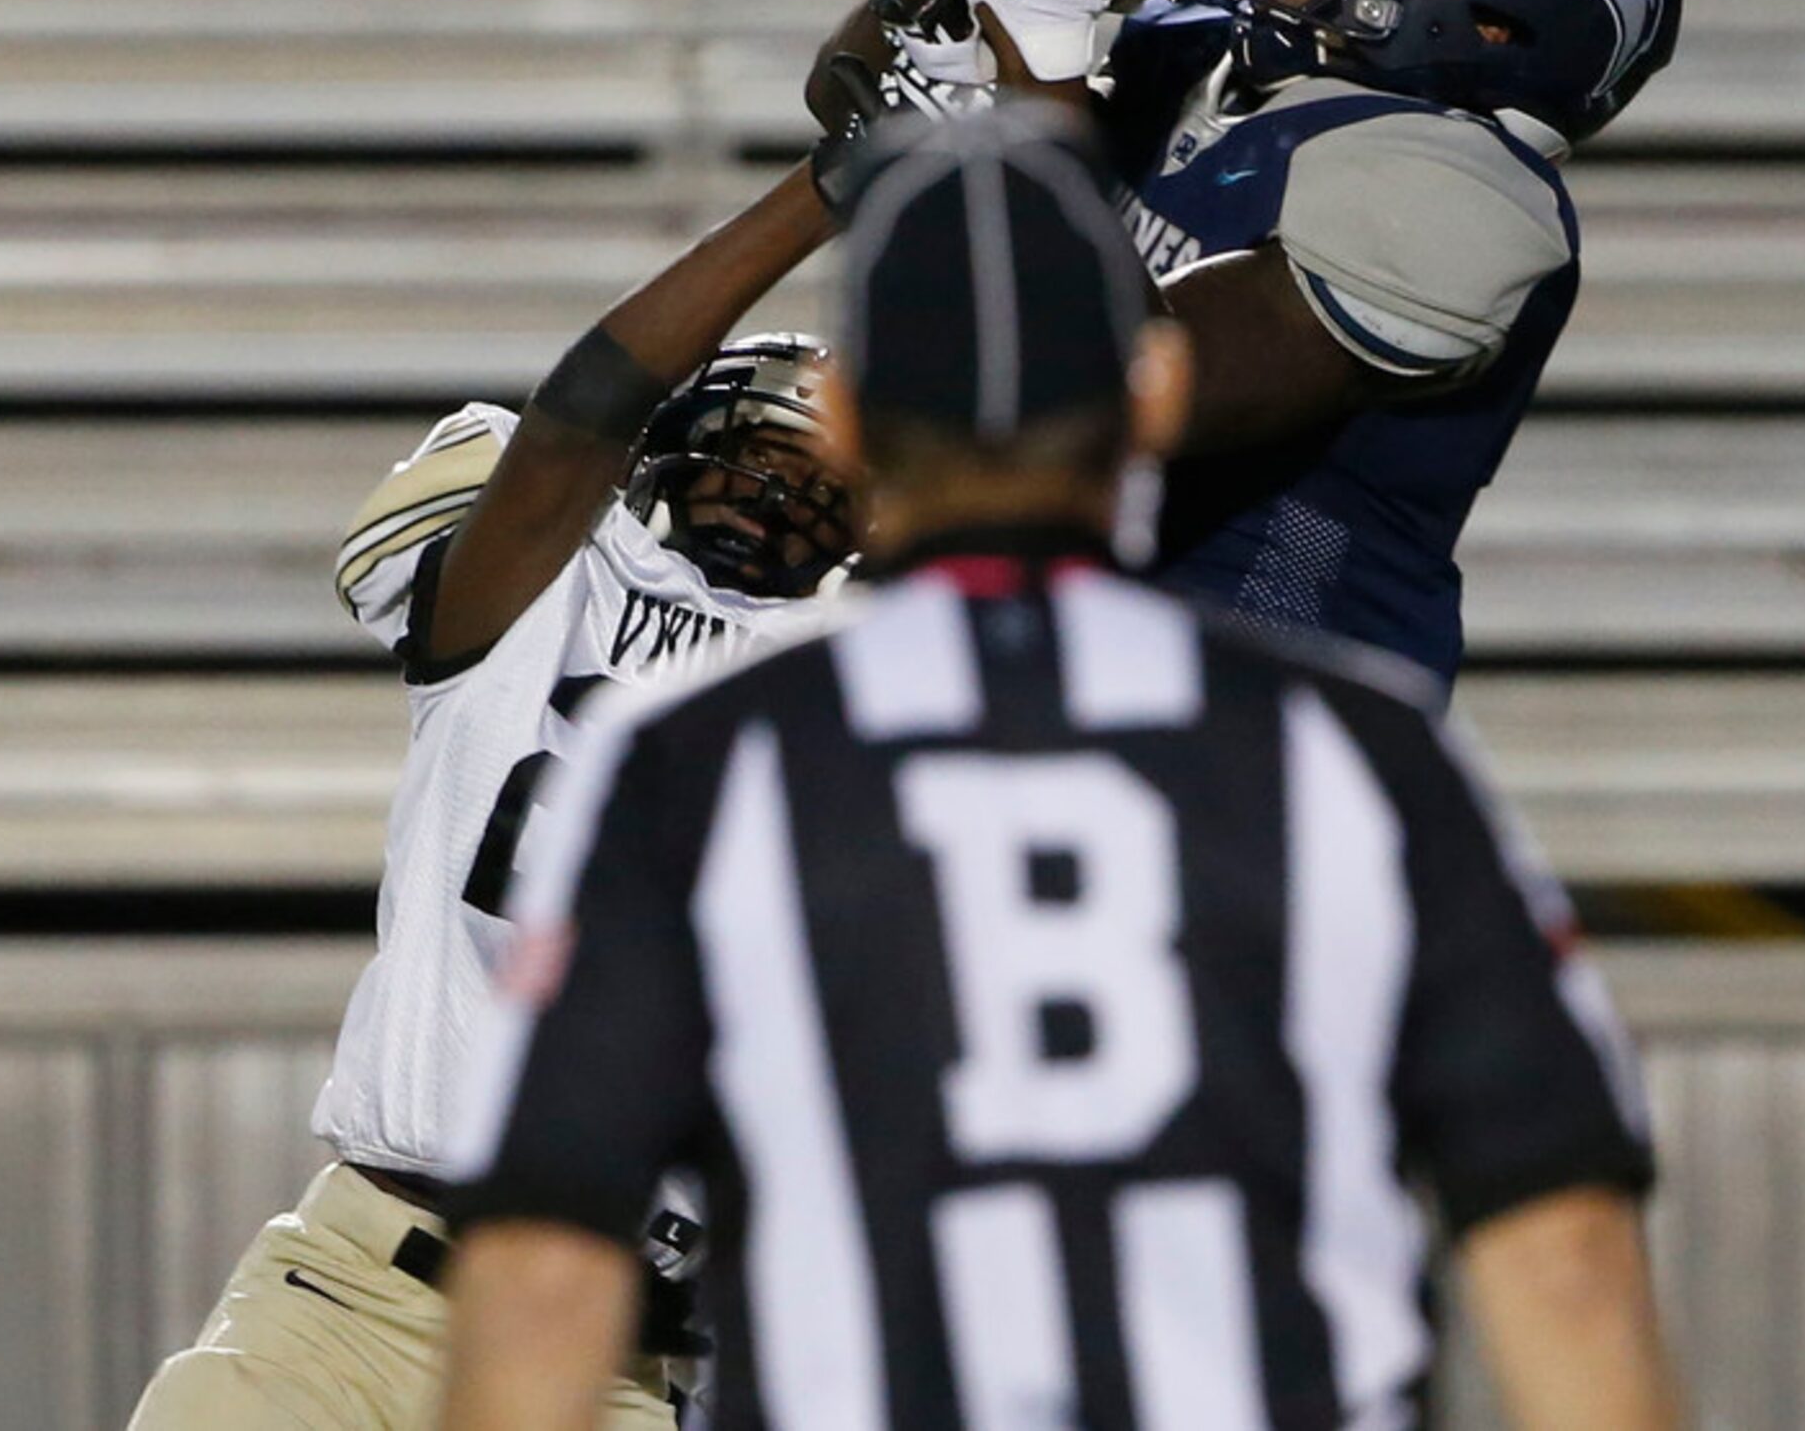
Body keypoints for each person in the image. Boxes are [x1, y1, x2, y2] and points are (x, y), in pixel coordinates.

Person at [439, 107, 1681, 1431]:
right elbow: (1563, 1253)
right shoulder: (1354, 748)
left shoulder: (700, 760)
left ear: (849, 418)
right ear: (1152, 391)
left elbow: (544, 1264)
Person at [127, 286, 855, 1419]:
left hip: (608, 1343)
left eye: (824, 490)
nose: (778, 502)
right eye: (754, 458)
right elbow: (573, 424)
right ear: (667, 455)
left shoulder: (851, 680)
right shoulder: (539, 583)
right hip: (355, 1287)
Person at [848, 0, 1685, 686]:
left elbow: (1115, 383)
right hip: (1062, 666)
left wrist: (1034, 63)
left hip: (1259, 723)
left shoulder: (1469, 194)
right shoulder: (1211, 60)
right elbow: (845, 87)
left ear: (1497, 21)